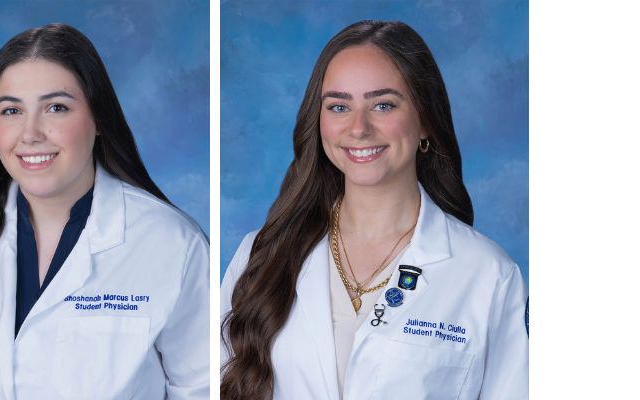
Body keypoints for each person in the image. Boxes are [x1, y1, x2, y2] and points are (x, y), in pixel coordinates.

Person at [220, 20, 528, 399]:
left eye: (383, 105)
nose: (358, 127)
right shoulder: (261, 256)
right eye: (338, 106)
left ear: (426, 121)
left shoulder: (487, 275)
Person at [0, 23, 209, 399]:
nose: (30, 133)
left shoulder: (171, 244)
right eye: (11, 110)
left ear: (98, 119)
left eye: (56, 108)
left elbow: (201, 389)